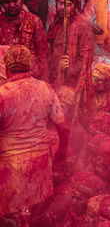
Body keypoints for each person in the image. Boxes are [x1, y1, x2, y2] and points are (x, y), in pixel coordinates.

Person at [0, 45, 70, 225]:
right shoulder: (45, 88)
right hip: (40, 164)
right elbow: (64, 127)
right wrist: (61, 153)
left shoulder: (3, 94)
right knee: (35, 217)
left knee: (13, 217)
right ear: (30, 66)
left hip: (11, 168)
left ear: (6, 68)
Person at [0, 0, 49, 80]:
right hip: (6, 78)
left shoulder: (34, 21)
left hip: (32, 77)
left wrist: (45, 82)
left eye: (15, 0)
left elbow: (43, 55)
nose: (12, 5)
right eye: (7, 2)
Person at [48, 0, 94, 86]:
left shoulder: (83, 27)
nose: (63, 8)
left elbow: (86, 58)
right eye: (60, 3)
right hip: (54, 77)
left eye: (68, 5)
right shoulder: (54, 24)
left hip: (72, 80)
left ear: (75, 6)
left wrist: (69, 71)